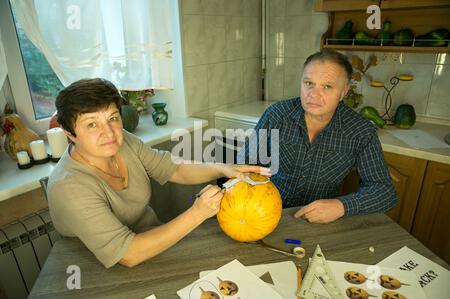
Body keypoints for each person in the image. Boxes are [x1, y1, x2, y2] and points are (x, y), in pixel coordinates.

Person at [47, 78, 271, 268]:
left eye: (113, 118)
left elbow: (174, 168)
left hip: (154, 245)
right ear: (70, 133)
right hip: (96, 269)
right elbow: (127, 254)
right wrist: (197, 213)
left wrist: (222, 167)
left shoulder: (123, 142)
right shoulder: (68, 186)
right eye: (92, 125)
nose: (109, 132)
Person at [238, 49, 397, 224]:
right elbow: (244, 165)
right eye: (309, 83)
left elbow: (385, 192)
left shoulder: (360, 131)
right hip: (264, 212)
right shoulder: (277, 115)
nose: (313, 94)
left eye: (327, 86)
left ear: (343, 92)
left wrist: (342, 206)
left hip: (322, 222)